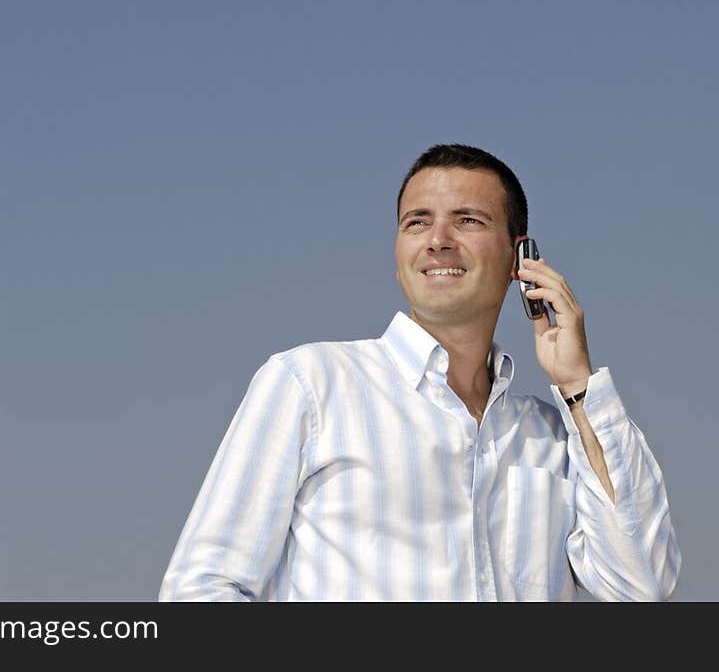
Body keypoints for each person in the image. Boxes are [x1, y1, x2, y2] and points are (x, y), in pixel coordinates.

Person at [158, 143, 681, 601]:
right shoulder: (309, 382)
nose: (438, 239)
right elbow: (203, 586)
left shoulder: (553, 435)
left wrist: (577, 386)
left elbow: (641, 586)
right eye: (417, 222)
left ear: (520, 255)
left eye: (468, 220)